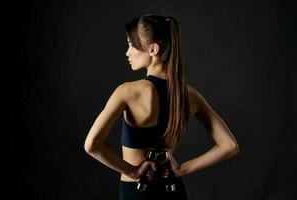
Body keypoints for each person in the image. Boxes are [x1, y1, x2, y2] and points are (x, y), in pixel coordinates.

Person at [84, 14, 240, 200]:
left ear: (153, 49)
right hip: (173, 191)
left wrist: (132, 172)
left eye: (131, 45)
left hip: (137, 192)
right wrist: (182, 168)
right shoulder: (189, 96)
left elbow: (91, 145)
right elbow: (230, 146)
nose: (127, 52)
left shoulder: (127, 91)